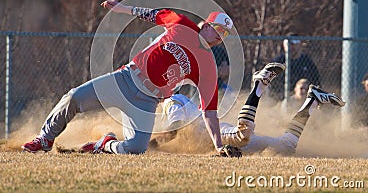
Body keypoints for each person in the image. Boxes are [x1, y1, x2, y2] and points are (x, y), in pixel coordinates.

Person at [22, 0, 237, 156]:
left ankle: (105, 144)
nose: (220, 37)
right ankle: (45, 138)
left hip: (147, 101)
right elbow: (153, 14)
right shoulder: (180, 23)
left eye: (225, 35)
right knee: (73, 97)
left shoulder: (208, 64)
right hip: (125, 79)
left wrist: (218, 146)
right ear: (206, 25)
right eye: (218, 29)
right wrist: (122, 9)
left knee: (136, 148)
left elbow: (209, 110)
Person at [148, 63, 345, 155]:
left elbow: (173, 132)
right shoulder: (174, 100)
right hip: (219, 142)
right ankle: (312, 101)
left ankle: (259, 85)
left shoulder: (172, 101)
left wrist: (149, 146)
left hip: (215, 136)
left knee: (242, 135)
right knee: (286, 147)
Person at [270, 33, 320, 101]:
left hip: (303, 96)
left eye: (293, 44)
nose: (291, 47)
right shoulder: (279, 62)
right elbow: (271, 81)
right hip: (282, 97)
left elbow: (316, 81)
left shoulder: (307, 61)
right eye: (288, 45)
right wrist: (277, 94)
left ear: (299, 45)